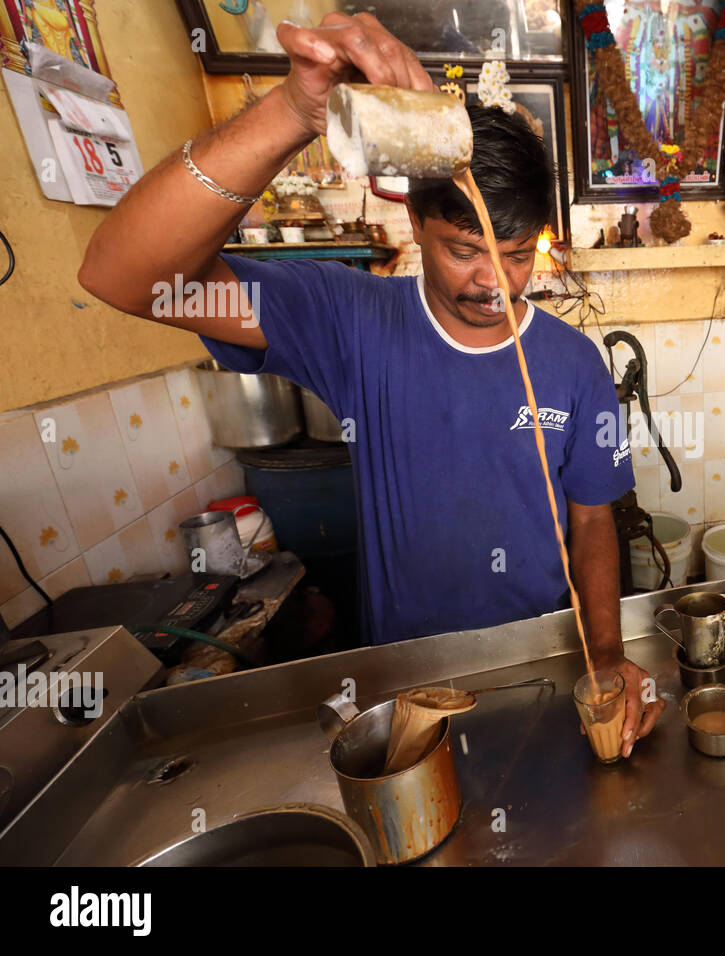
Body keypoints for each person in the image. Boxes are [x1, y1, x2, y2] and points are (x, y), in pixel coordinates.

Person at [76, 12, 664, 757]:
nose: (494, 284)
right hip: (402, 677)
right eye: (464, 250)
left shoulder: (575, 365)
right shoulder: (351, 321)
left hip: (538, 660)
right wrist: (297, 110)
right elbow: (125, 277)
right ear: (416, 221)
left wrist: (605, 659)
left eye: (517, 255)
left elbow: (591, 522)